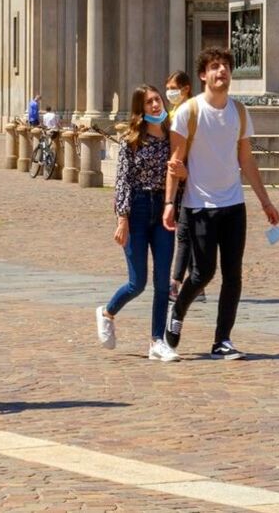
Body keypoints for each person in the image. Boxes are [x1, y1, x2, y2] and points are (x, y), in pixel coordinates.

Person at [162, 48, 279, 360]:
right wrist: (169, 203)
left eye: (226, 66)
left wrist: (265, 202)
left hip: (233, 204)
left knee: (233, 274)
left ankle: (222, 340)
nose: (222, 72)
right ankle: (177, 311)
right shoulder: (189, 111)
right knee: (202, 274)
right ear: (203, 75)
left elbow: (247, 161)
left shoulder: (239, 113)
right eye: (215, 67)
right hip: (199, 204)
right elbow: (175, 161)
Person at [98, 84, 176, 361]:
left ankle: (157, 341)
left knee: (163, 281)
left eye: (157, 100)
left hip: (164, 210)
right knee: (138, 282)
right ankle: (107, 312)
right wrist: (122, 219)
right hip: (138, 209)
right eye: (148, 103)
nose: (155, 105)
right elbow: (123, 181)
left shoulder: (172, 137)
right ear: (140, 109)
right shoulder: (132, 140)